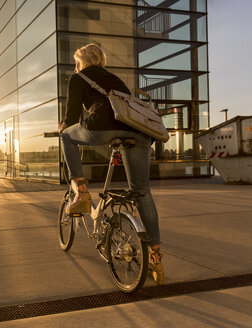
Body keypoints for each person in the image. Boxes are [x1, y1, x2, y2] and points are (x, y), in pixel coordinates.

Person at [58, 43, 164, 285]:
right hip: (138, 132)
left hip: (103, 127)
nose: (76, 66)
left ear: (81, 62)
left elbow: (72, 118)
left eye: (77, 62)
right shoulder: (114, 78)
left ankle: (82, 192)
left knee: (66, 136)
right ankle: (156, 258)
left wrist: (63, 127)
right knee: (142, 192)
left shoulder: (78, 78)